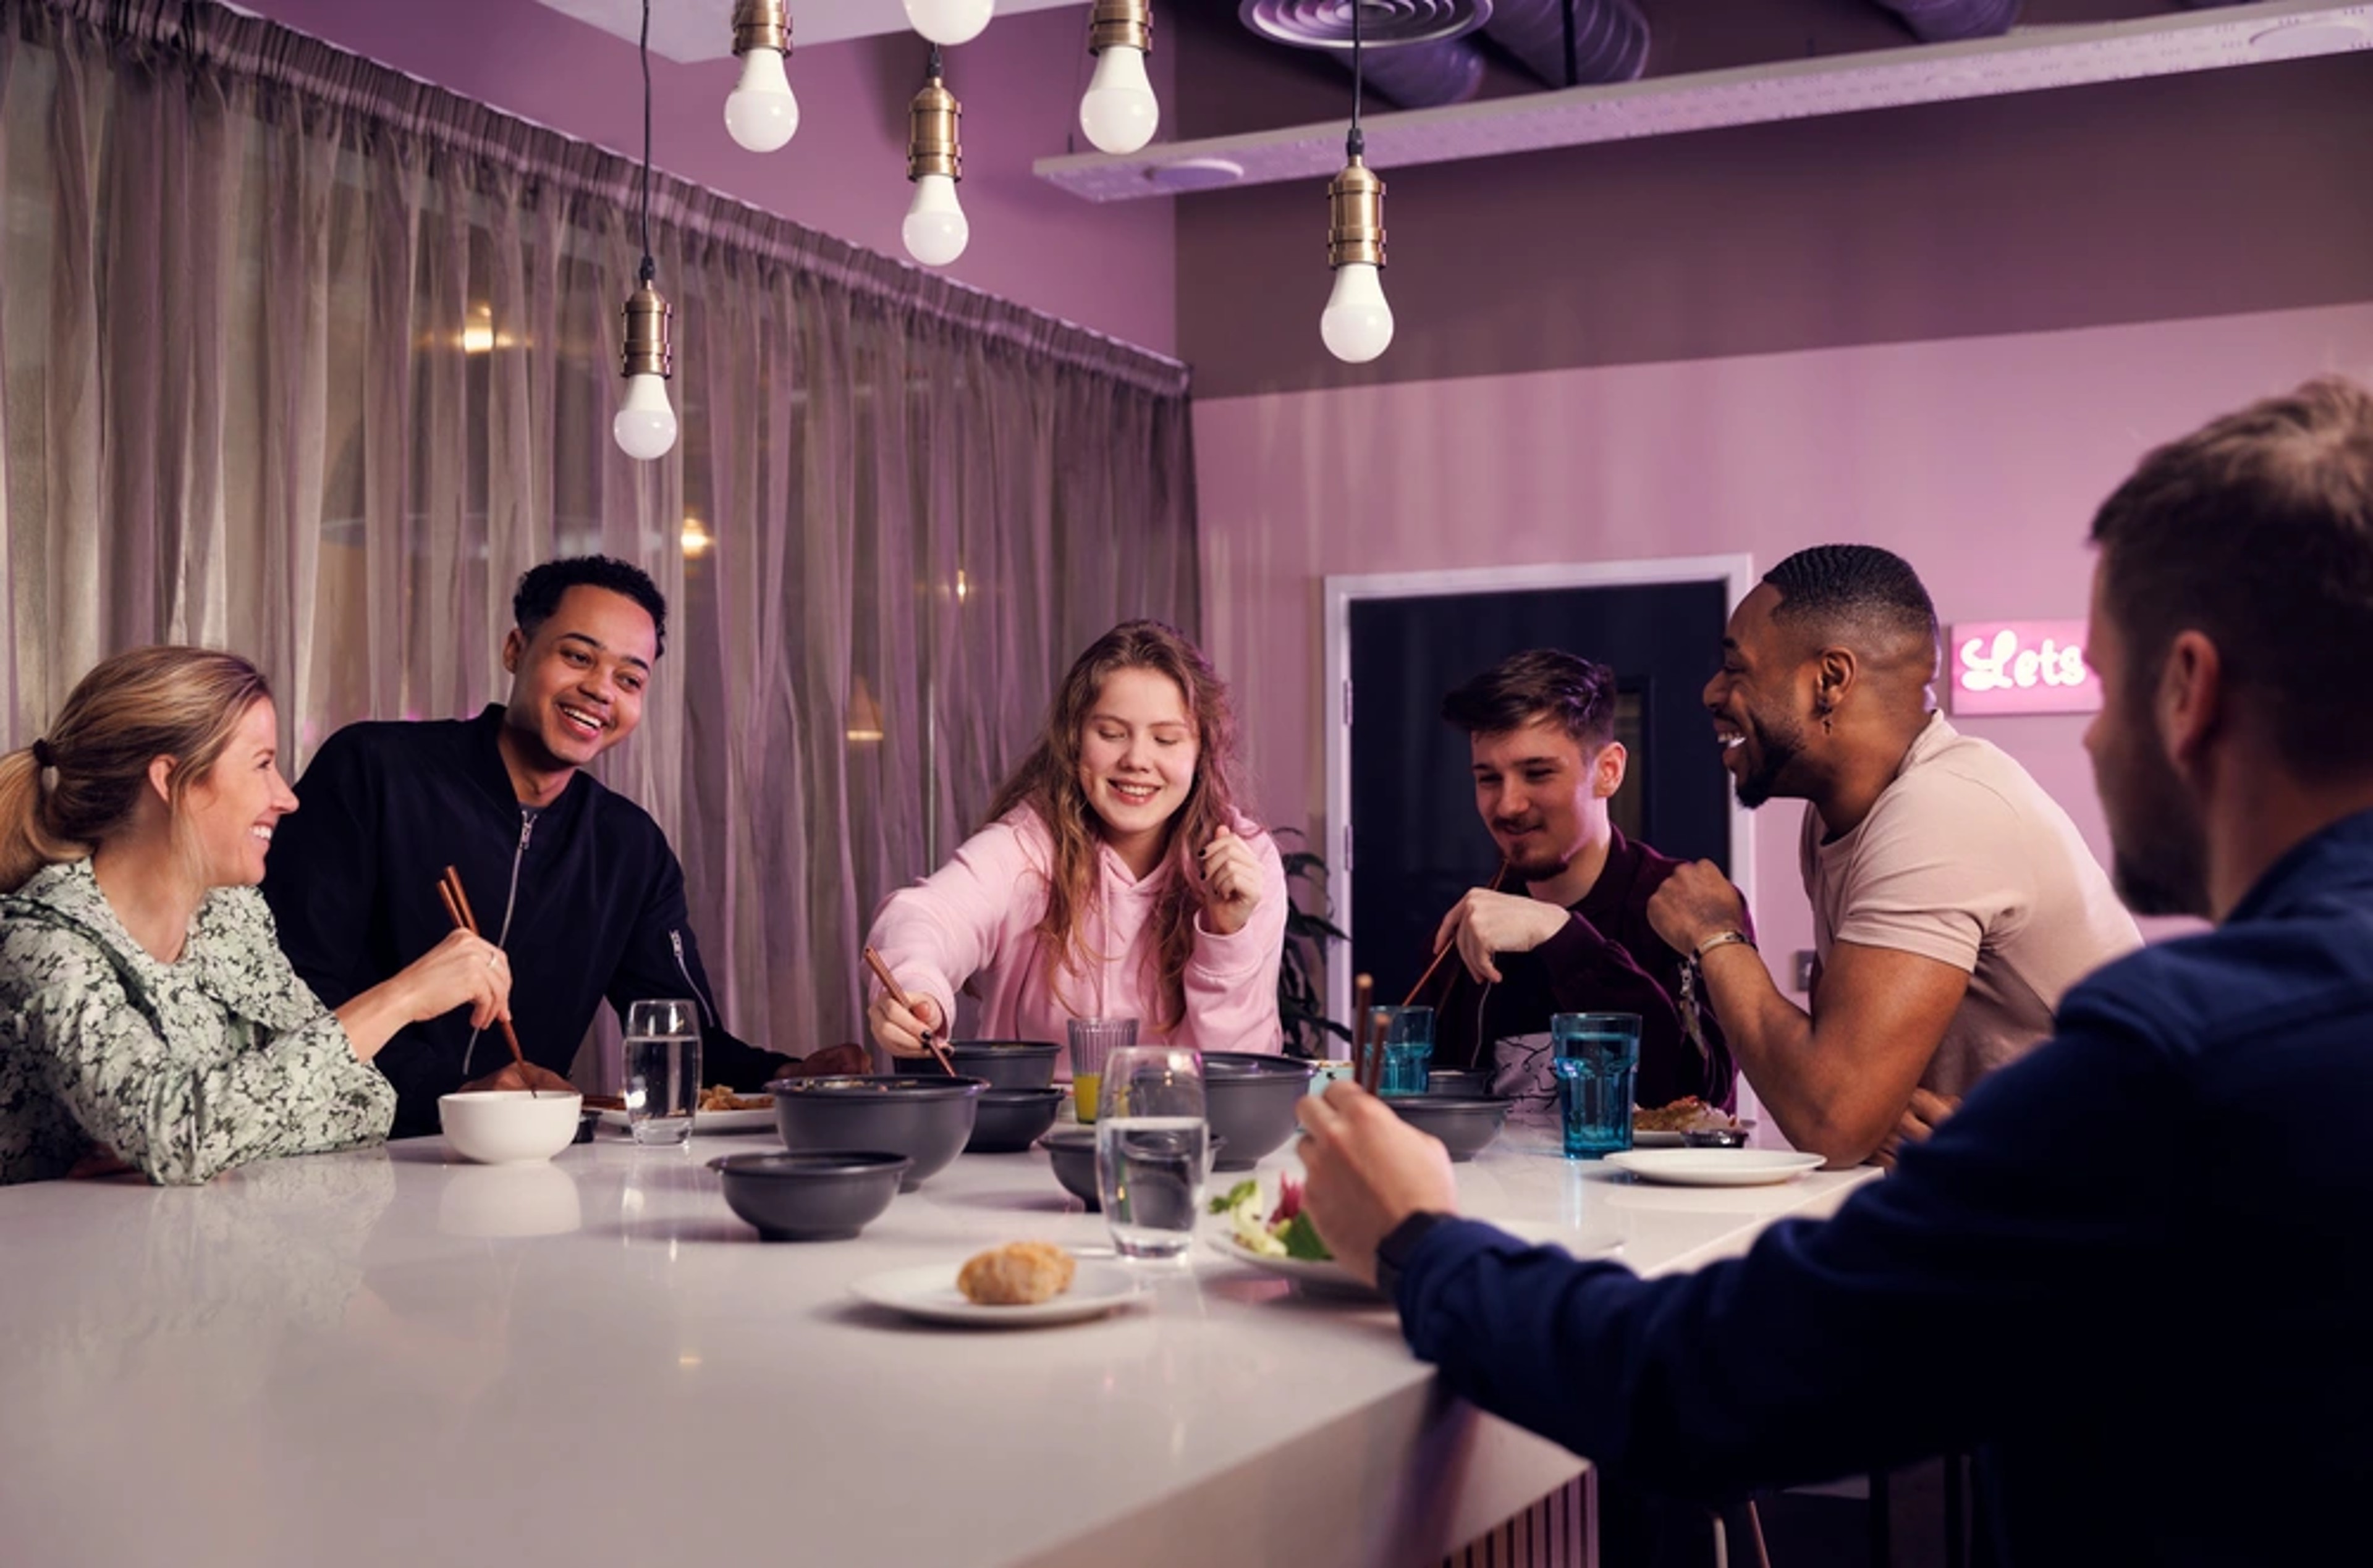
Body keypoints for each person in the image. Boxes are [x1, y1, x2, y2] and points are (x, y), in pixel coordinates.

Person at [1295, 377, 2373, 1564]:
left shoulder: (2168, 1052)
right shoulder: (1859, 831)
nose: (2088, 734)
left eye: (2106, 689)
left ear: (2189, 692)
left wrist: (1416, 1238)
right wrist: (2006, 1148)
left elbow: (1701, 1371)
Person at [263, 557, 793, 1137]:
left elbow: (683, 1040)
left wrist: (794, 1076)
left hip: (523, 1157)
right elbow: (290, 985)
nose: (600, 690)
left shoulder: (629, 848)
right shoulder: (374, 770)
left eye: (629, 680)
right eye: (578, 656)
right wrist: (451, 1093)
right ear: (516, 649)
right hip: (350, 1146)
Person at [1646, 544, 2138, 1165]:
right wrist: (1861, 1103)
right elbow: (1843, 1081)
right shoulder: (1834, 819)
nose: (1711, 693)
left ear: (1829, 680)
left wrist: (1716, 934)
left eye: (1736, 669)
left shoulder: (1942, 809)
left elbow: (1829, 1119)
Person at [0, 648, 510, 1186]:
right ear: (172, 781)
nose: (287, 798)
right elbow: (179, 1137)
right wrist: (402, 998)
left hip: (182, 1232)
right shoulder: (42, 939)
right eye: (262, 764)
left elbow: (366, 1103)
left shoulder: (231, 917)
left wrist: (214, 1137)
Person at [866, 620, 1287, 1059]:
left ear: (1202, 752)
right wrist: (916, 987)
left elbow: (1242, 1066)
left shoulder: (1245, 862)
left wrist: (1226, 934)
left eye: (1166, 739)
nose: (1137, 760)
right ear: (1074, 740)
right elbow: (924, 915)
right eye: (1111, 734)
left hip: (1188, 1104)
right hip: (1039, 1107)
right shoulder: (1030, 845)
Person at [1423, 650, 1737, 1110]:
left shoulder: (1688, 905)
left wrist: (1563, 937)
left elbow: (1701, 1100)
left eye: (1538, 774)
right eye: (1488, 779)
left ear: (1608, 771)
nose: (1508, 805)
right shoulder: (1473, 922)